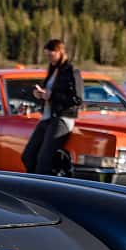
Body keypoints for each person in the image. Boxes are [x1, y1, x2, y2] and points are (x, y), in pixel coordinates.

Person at [21, 38, 84, 175]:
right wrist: (40, 94)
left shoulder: (72, 71)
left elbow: (77, 99)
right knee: (28, 156)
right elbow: (49, 94)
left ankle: (42, 185)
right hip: (47, 118)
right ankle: (32, 182)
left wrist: (51, 96)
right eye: (47, 55)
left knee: (44, 161)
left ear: (60, 52)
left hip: (62, 119)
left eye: (51, 55)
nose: (49, 58)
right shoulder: (53, 70)